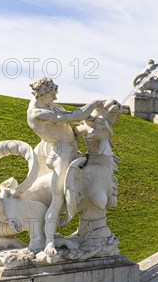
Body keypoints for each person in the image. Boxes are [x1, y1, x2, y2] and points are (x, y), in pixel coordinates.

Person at [27, 78, 103, 254]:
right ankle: (50, 241)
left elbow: (72, 128)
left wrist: (91, 123)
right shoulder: (38, 113)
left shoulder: (51, 106)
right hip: (62, 154)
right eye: (52, 94)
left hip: (71, 150)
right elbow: (73, 117)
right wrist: (92, 104)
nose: (55, 97)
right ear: (42, 93)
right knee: (58, 198)